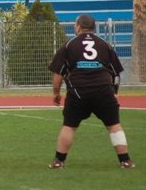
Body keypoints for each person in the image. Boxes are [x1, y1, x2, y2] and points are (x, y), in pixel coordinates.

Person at [47, 14, 133, 169]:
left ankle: (59, 161)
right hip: (103, 89)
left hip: (78, 91)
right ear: (93, 27)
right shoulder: (105, 44)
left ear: (79, 26)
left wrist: (56, 93)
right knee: (114, 125)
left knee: (69, 126)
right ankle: (125, 160)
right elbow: (116, 73)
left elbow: (58, 74)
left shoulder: (69, 45)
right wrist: (114, 92)